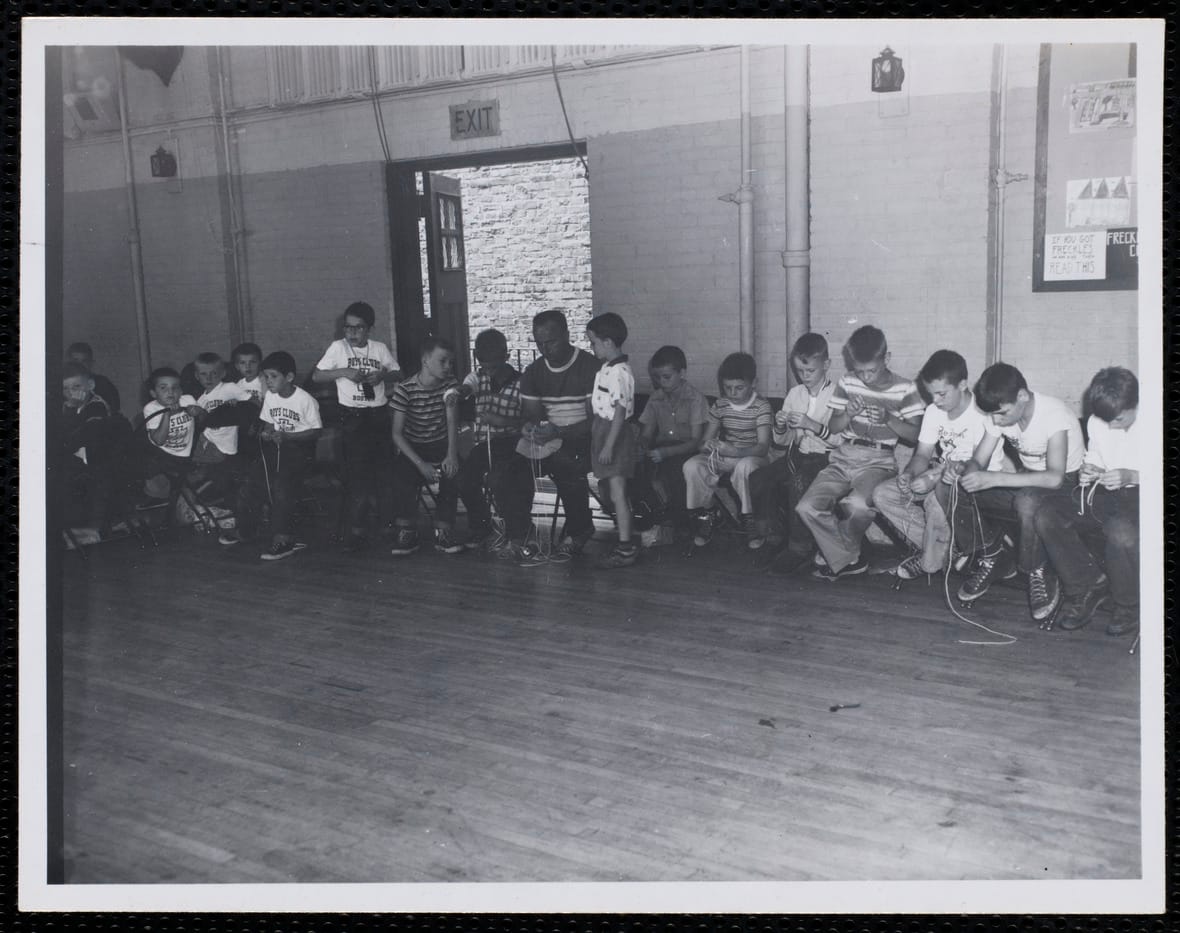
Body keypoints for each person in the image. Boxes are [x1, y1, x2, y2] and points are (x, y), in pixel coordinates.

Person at [952, 362, 1085, 622]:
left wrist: (995, 478)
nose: (996, 420)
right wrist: (965, 470)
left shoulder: (1054, 414)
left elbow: (1055, 478)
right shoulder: (1000, 413)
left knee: (1026, 501)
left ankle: (1037, 570)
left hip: (1067, 487)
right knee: (959, 488)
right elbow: (979, 459)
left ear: (1022, 396)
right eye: (993, 415)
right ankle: (993, 556)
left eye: (1002, 413)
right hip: (1027, 482)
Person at [795, 325, 923, 580]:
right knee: (807, 507)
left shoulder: (906, 389)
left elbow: (916, 436)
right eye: (859, 370)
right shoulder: (847, 381)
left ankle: (841, 556)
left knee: (857, 505)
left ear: (886, 359)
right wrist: (847, 414)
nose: (865, 377)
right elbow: (834, 427)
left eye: (871, 371)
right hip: (844, 455)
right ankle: (848, 557)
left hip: (879, 461)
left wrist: (889, 419)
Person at [872, 349, 1006, 580]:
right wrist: (909, 474)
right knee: (883, 494)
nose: (935, 401)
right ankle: (942, 552)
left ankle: (929, 562)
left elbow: (975, 465)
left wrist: (933, 478)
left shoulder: (982, 413)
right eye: (931, 394)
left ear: (962, 384)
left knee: (935, 501)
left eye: (941, 394)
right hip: (941, 473)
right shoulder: (935, 411)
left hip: (974, 481)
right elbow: (922, 454)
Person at [1034, 367, 1141, 635]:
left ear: (1136, 404)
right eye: (1106, 420)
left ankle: (1128, 604)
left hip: (1147, 499)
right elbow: (1095, 454)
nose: (1111, 426)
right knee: (1048, 514)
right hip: (1109, 493)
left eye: (1118, 419)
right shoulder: (1098, 420)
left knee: (1120, 532)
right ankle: (1087, 585)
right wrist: (1090, 468)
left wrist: (1133, 476)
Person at [491, 308, 600, 564]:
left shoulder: (589, 366)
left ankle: (579, 531)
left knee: (566, 463)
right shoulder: (533, 372)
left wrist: (559, 431)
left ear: (567, 335)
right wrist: (530, 428)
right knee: (506, 469)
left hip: (584, 438)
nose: (544, 349)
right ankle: (522, 535)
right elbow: (532, 415)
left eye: (550, 342)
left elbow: (595, 421)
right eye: (539, 343)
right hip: (551, 437)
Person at [313, 301, 399, 551]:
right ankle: (356, 531)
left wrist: (382, 375)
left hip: (378, 416)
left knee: (384, 473)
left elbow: (398, 373)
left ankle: (387, 527)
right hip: (352, 417)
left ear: (369, 329)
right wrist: (344, 372)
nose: (351, 332)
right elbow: (317, 376)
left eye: (358, 328)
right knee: (357, 475)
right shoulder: (338, 348)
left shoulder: (379, 348)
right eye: (347, 327)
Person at [749, 333, 840, 567]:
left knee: (799, 482)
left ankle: (799, 547)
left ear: (826, 365)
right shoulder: (794, 394)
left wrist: (812, 425)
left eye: (810, 370)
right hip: (798, 455)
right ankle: (773, 536)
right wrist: (780, 426)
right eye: (800, 371)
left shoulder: (838, 395)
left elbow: (841, 440)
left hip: (827, 459)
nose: (804, 376)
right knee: (759, 477)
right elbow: (783, 441)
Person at [223, 351, 322, 561]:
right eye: (266, 376)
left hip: (300, 451)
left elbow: (315, 432)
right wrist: (267, 432)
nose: (268, 381)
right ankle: (247, 530)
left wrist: (287, 436)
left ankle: (284, 538)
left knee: (281, 485)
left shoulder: (306, 400)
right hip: (277, 448)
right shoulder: (270, 396)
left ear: (289, 377)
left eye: (273, 376)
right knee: (251, 480)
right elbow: (268, 421)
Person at [682, 352, 773, 547]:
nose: (732, 393)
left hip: (753, 457)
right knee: (692, 465)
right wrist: (708, 445)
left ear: (753, 383)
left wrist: (736, 453)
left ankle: (750, 520)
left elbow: (763, 448)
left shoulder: (761, 406)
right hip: (728, 455)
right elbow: (703, 443)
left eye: (739, 388)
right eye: (727, 388)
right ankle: (708, 513)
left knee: (745, 466)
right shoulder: (720, 405)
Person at [388, 336, 463, 556]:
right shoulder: (405, 389)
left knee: (453, 474)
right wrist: (421, 465)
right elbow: (396, 434)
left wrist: (451, 455)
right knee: (401, 475)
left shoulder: (450, 385)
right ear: (425, 360)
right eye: (443, 361)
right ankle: (407, 531)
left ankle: (444, 531)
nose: (448, 367)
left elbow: (452, 422)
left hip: (441, 443)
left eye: (451, 362)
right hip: (414, 447)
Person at [455, 328, 523, 550]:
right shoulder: (478, 377)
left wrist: (503, 421)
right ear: (477, 358)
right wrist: (462, 391)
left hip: (513, 444)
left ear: (506, 356)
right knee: (464, 479)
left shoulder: (521, 383)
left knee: (499, 479)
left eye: (494, 367)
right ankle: (481, 526)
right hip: (486, 444)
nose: (489, 371)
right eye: (484, 366)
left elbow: (529, 422)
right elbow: (468, 385)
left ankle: (516, 532)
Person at [634, 345, 709, 532]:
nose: (661, 382)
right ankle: (651, 517)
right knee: (634, 467)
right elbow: (646, 434)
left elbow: (696, 441)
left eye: (666, 377)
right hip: (662, 450)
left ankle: (682, 528)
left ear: (682, 373)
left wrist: (665, 452)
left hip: (687, 451)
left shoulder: (696, 399)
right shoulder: (655, 398)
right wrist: (641, 446)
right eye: (657, 377)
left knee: (675, 471)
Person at [586, 312, 639, 569]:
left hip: (614, 434)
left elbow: (620, 410)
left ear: (607, 342)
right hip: (603, 429)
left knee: (618, 493)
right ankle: (624, 539)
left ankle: (626, 546)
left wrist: (608, 445)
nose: (592, 347)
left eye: (593, 342)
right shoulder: (607, 367)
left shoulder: (620, 371)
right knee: (611, 492)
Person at [61, 362, 127, 533]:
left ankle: (92, 528)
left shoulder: (96, 406)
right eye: (65, 388)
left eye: (76, 387)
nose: (70, 393)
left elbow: (82, 437)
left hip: (100, 458)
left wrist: (70, 411)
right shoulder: (70, 406)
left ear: (90, 385)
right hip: (84, 456)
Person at [191, 352, 256, 499]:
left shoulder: (229, 388)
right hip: (207, 441)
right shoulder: (200, 400)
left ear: (223, 373)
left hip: (222, 447)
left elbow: (254, 403)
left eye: (214, 373)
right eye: (203, 374)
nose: (208, 378)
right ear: (197, 376)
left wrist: (238, 404)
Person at [67, 341, 121, 414]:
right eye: (75, 361)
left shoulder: (103, 384)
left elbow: (114, 411)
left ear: (91, 363)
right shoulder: (60, 384)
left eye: (84, 361)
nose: (80, 365)